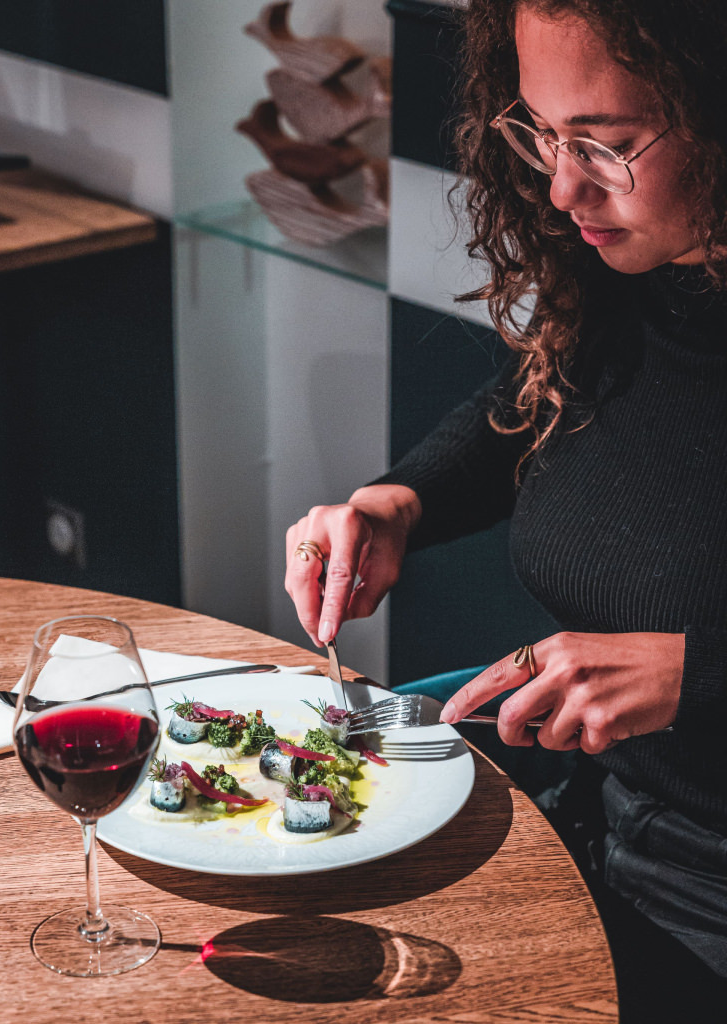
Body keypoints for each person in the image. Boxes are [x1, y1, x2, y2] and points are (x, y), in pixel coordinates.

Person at [284, 1, 727, 1019]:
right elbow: (540, 406)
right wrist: (398, 502)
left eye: (607, 146)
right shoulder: (641, 273)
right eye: (540, 131)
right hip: (601, 808)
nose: (562, 184)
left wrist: (698, 667)